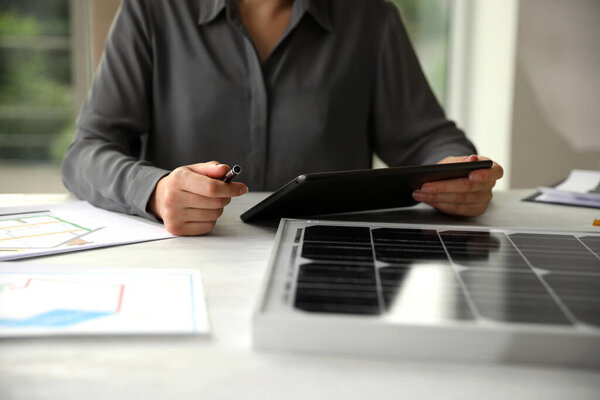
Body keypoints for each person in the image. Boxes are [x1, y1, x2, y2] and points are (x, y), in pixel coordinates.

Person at [62, 0, 503, 236]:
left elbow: (426, 137)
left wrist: (457, 174)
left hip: (337, 265)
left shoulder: (372, 17)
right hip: (191, 262)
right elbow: (86, 151)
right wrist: (155, 191)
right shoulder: (153, 10)